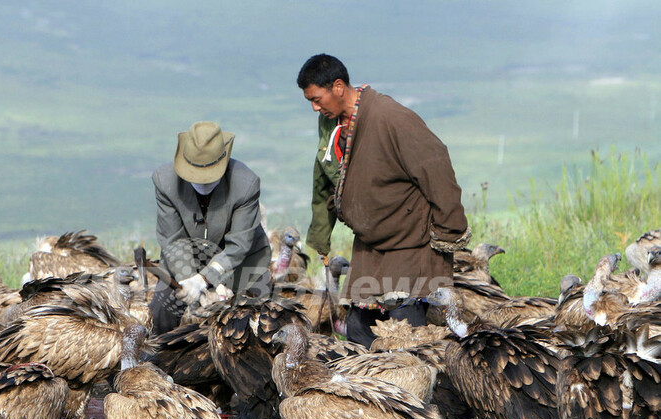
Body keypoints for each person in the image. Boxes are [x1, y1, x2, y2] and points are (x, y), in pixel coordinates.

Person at [297, 54, 471, 348]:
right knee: (359, 332)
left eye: (316, 99)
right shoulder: (331, 124)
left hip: (410, 242)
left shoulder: (391, 117)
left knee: (406, 336)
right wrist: (321, 236)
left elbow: (435, 165)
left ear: (338, 87)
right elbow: (324, 178)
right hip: (370, 246)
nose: (315, 107)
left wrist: (449, 230)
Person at [149, 121, 272, 334]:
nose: (202, 182)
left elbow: (238, 246)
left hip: (242, 263)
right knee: (160, 312)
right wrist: (190, 282)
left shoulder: (246, 184)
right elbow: (173, 240)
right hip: (185, 261)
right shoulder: (165, 182)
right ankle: (157, 353)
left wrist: (205, 280)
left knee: (260, 324)